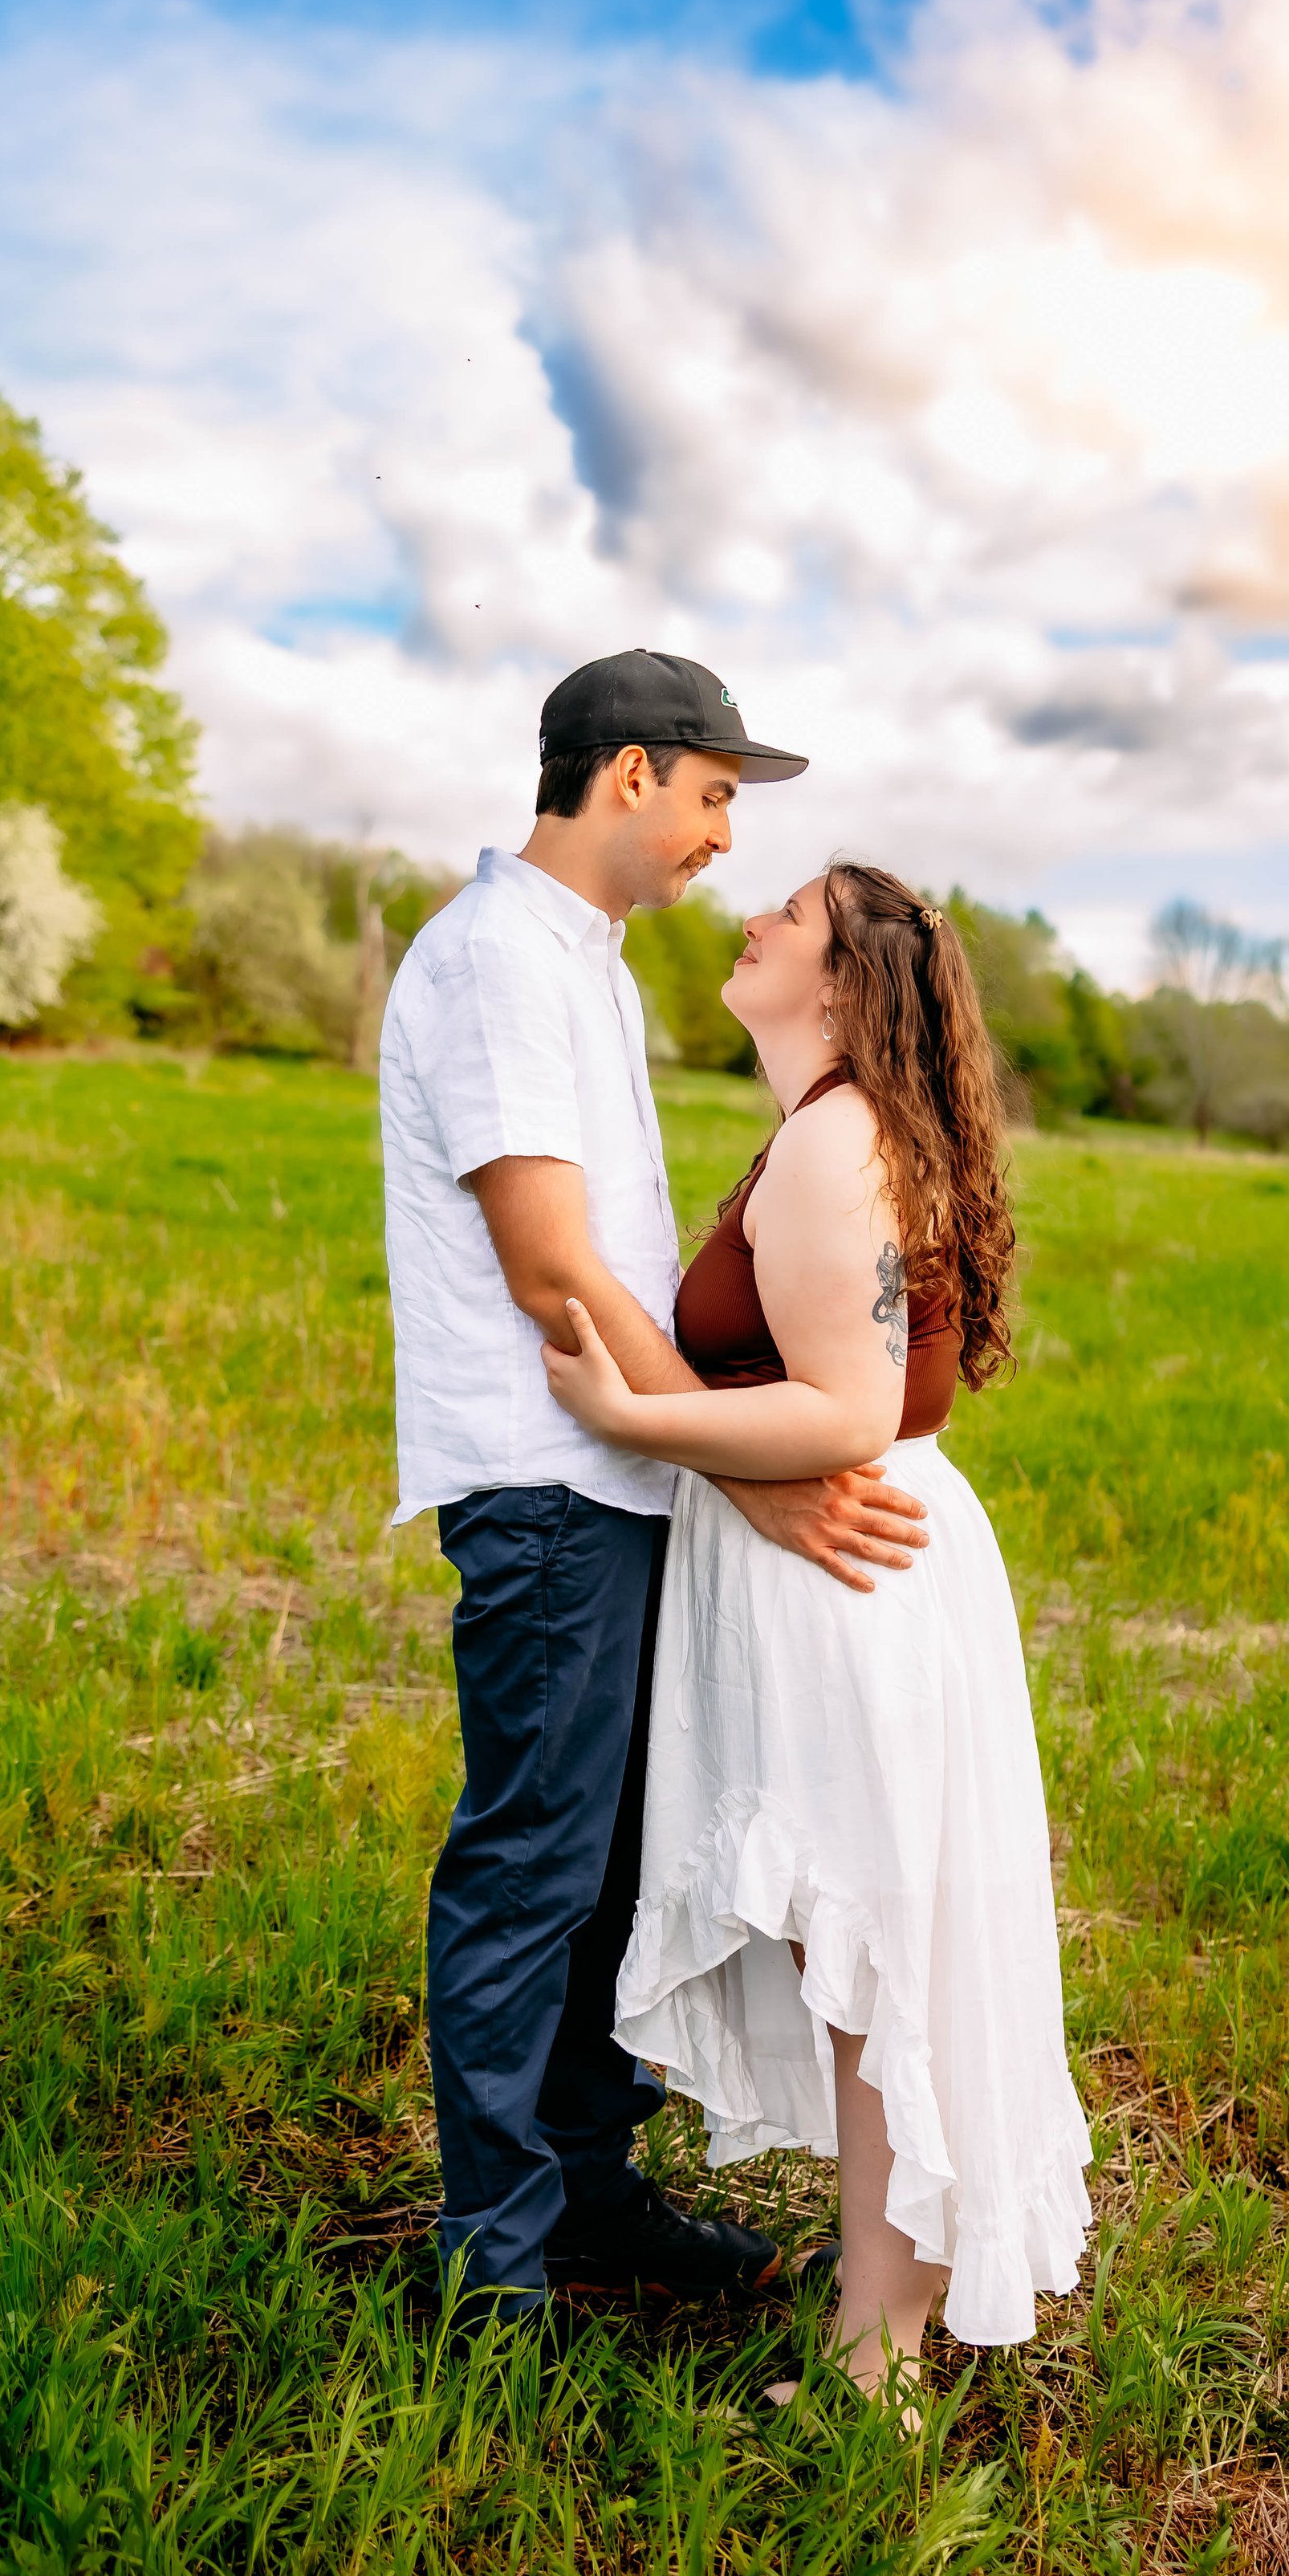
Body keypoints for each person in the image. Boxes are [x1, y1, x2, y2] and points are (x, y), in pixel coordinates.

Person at [379, 652, 934, 2337]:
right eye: (711, 797)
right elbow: (550, 1263)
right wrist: (730, 1458)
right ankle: (495, 2263)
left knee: (621, 1868)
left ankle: (592, 2192)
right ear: (630, 773)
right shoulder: (492, 963)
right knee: (535, 1864)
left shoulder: (586, 966)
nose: (717, 839)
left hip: (622, 1473)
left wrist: (693, 1449)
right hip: (551, 1480)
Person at [542, 861, 1093, 2407]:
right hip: (863, 1569)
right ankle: (884, 2332)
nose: (754, 919)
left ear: (846, 984)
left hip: (852, 1581)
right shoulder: (835, 1131)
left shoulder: (837, 1141)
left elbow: (845, 1410)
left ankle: (879, 2357)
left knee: (867, 1959)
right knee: (865, 1954)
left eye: (791, 913)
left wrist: (629, 1412)